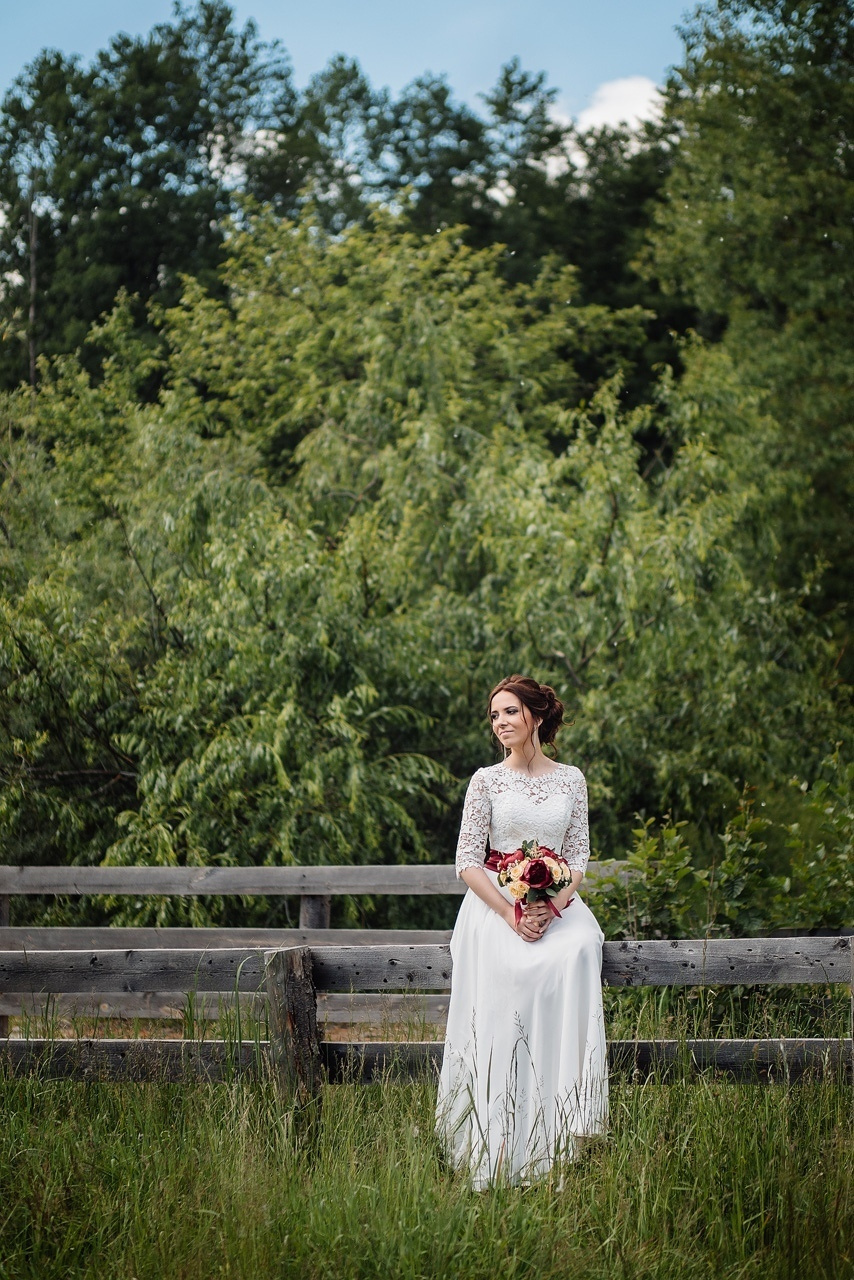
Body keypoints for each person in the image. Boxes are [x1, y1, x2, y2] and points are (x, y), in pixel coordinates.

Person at [435, 674, 608, 1188]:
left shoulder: (571, 779)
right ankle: (502, 1135)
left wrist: (551, 903)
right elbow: (467, 862)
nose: (500, 723)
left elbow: (579, 856)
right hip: (494, 902)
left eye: (509, 712)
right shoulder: (485, 780)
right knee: (514, 975)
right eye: (494, 716)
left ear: (534, 715)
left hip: (556, 900)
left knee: (578, 949)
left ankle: (565, 1122)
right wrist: (512, 911)